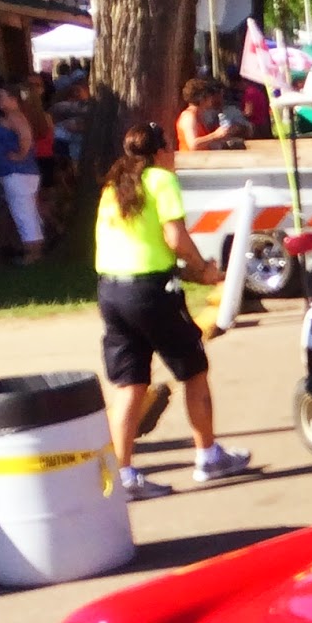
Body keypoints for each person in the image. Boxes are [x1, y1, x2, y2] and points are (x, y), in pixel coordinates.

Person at [93, 121, 251, 500]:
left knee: (130, 384)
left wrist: (192, 273)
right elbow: (175, 238)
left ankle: (124, 473)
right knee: (194, 370)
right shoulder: (161, 180)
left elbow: (142, 246)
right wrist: (203, 268)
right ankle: (208, 456)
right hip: (151, 292)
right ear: (162, 152)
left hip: (111, 290)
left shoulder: (113, 186)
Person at [0, 81, 43, 264]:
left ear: (13, 98)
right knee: (26, 211)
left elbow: (25, 136)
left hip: (17, 172)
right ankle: (31, 248)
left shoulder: (15, 116)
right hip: (16, 172)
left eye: (1, 96)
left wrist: (19, 155)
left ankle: (33, 252)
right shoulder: (11, 116)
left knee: (24, 212)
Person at [175, 79, 234, 153]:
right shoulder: (189, 117)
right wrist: (215, 135)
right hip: (189, 159)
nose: (212, 99)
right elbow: (193, 145)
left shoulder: (199, 116)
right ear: (202, 98)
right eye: (209, 96)